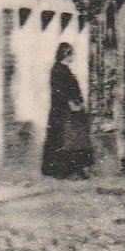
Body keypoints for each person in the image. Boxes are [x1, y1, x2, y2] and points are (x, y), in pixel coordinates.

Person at [42, 43, 93, 179]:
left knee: (76, 140)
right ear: (66, 54)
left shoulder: (65, 69)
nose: (74, 56)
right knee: (66, 140)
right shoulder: (58, 69)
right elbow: (59, 91)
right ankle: (63, 170)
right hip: (63, 112)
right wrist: (71, 103)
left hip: (71, 110)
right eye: (72, 53)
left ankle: (76, 169)